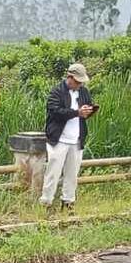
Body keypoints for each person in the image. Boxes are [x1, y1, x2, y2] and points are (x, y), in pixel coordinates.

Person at [40, 62, 96, 213]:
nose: (79, 85)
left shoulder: (84, 92)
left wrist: (89, 111)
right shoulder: (56, 92)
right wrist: (76, 112)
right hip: (58, 139)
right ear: (69, 77)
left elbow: (86, 109)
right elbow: (55, 112)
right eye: (77, 81)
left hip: (76, 139)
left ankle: (68, 202)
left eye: (81, 82)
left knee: (72, 174)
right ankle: (46, 202)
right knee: (53, 173)